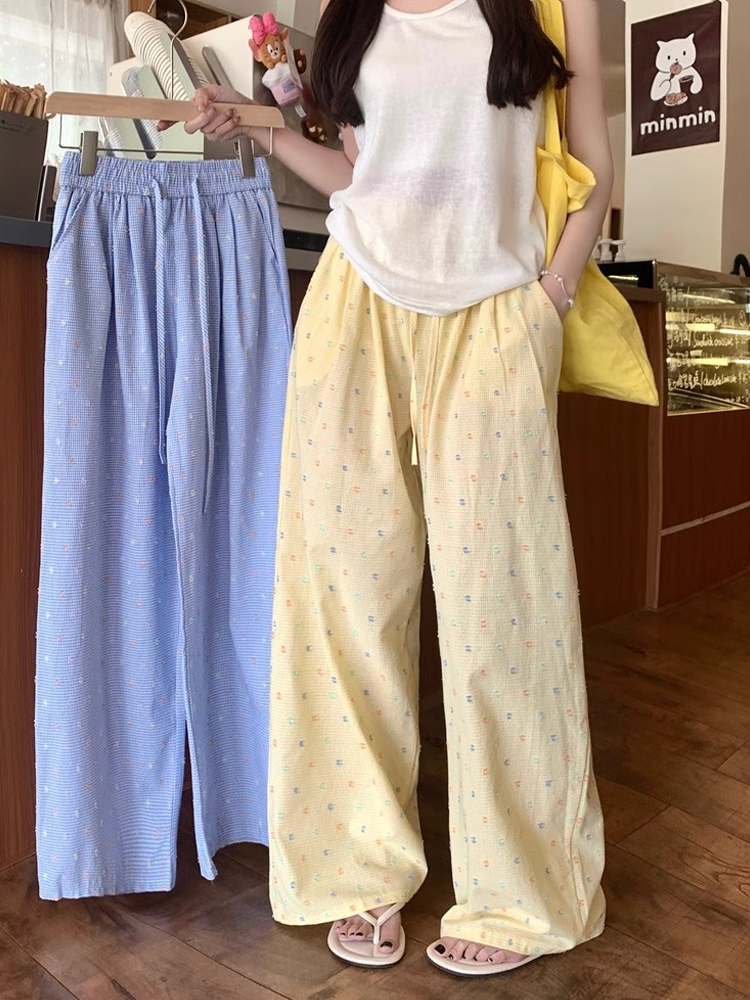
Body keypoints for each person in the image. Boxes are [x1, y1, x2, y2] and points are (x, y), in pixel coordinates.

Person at [161, 0, 612, 978]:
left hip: (495, 315)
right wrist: (263, 128)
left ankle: (524, 893)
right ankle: (356, 867)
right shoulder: (349, 13)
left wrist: (550, 298)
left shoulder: (549, 5)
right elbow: (358, 173)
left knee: (506, 609)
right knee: (345, 599)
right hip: (355, 303)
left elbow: (595, 167)